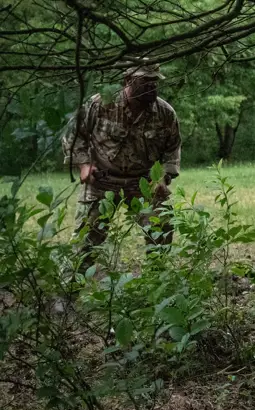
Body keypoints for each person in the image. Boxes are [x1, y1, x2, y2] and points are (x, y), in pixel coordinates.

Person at [62, 62, 181, 272]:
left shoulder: (164, 112)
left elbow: (173, 148)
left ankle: (159, 286)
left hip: (144, 182)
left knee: (161, 227)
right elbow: (73, 135)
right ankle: (67, 293)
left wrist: (163, 176)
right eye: (144, 81)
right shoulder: (101, 104)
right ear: (128, 80)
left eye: (154, 82)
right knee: (85, 241)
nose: (151, 87)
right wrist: (84, 165)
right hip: (102, 181)